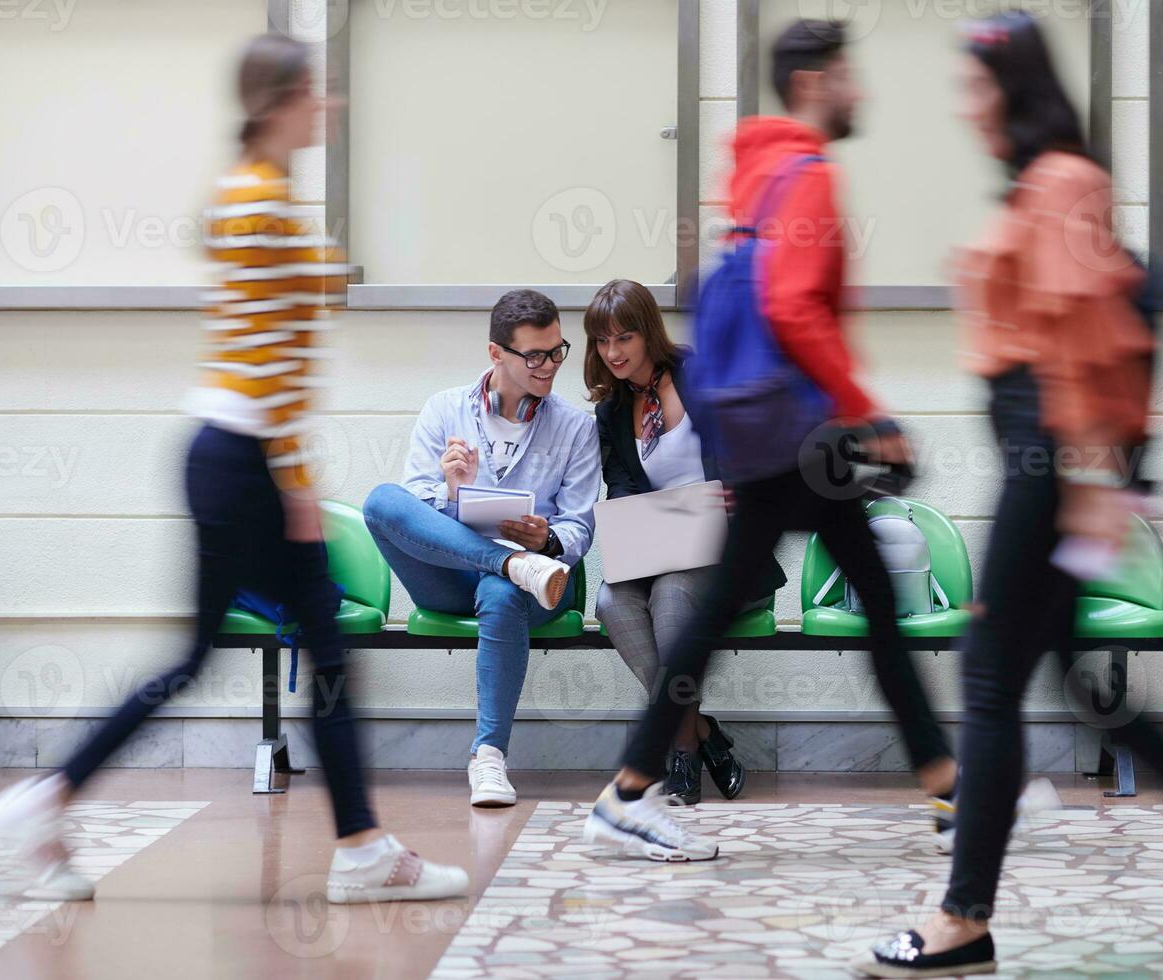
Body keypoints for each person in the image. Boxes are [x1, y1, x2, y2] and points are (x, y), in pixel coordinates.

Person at [0, 33, 467, 905]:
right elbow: (271, 362)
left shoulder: (256, 193)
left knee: (215, 652)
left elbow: (266, 344)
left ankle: (47, 802)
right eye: (315, 91)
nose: (329, 104)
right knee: (312, 648)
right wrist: (296, 483)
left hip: (228, 452)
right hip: (246, 459)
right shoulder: (262, 205)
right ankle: (358, 849)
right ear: (280, 102)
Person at [855, 15, 1163, 975]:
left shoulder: (1062, 182)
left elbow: (1086, 344)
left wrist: (1092, 486)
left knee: (985, 677)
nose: (966, 109)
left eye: (977, 90)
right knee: (1079, 694)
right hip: (1044, 463)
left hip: (1051, 465)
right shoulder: (1041, 186)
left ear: (1017, 92)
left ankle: (965, 915)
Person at [582, 19, 956, 862]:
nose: (860, 90)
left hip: (761, 431)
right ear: (816, 83)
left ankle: (631, 788)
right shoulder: (811, 176)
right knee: (870, 616)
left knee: (724, 618)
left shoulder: (755, 180)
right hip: (798, 435)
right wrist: (871, 417)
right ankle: (629, 790)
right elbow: (792, 309)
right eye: (849, 75)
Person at [363, 289, 600, 809]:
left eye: (557, 350)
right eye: (534, 355)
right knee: (383, 500)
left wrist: (549, 539)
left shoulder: (577, 427)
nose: (549, 365)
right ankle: (511, 564)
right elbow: (414, 517)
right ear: (496, 354)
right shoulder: (444, 409)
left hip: (544, 587)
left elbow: (579, 527)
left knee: (502, 592)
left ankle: (488, 756)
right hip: (454, 575)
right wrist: (451, 495)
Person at [585, 278, 785, 805]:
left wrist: (740, 488)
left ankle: (682, 753)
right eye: (603, 342)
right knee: (609, 599)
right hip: (662, 550)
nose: (613, 353)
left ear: (648, 332)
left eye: (624, 338)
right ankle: (697, 731)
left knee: (672, 595)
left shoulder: (700, 374)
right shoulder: (609, 412)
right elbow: (624, 489)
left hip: (729, 551)